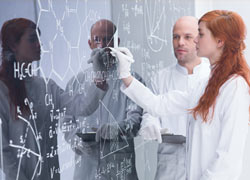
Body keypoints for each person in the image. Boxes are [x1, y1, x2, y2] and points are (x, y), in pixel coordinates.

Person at [111, 10, 250, 180]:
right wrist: (125, 74)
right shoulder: (205, 85)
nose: (195, 40)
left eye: (200, 34)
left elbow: (227, 158)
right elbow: (158, 104)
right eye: (176, 37)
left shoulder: (234, 87)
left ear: (220, 41)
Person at [0, 18, 107, 180]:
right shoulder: (2, 89)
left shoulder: (46, 87)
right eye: (32, 39)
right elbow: (3, 150)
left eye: (38, 38)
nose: (39, 45)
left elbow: (82, 106)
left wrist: (99, 75)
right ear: (14, 46)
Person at [63, 19, 144, 180]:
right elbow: (66, 121)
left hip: (119, 167)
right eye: (97, 40)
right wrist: (74, 140)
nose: (102, 45)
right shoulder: (76, 82)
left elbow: (136, 119)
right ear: (89, 43)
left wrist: (117, 129)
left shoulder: (131, 80)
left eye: (107, 39)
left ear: (117, 42)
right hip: (86, 169)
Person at [139, 16, 210, 180]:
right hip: (169, 163)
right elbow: (150, 111)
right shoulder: (160, 78)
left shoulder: (211, 75)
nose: (180, 43)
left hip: (203, 163)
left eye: (187, 37)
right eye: (176, 37)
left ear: (198, 40)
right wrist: (150, 124)